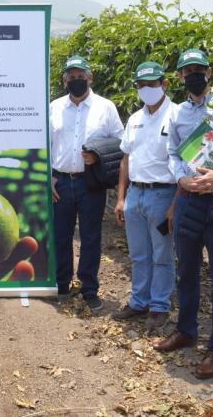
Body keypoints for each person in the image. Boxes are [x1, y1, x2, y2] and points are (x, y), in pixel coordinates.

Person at [153, 49, 213, 380]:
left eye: (199, 69)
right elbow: (174, 153)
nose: (193, 74)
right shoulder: (177, 114)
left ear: (210, 71)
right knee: (186, 271)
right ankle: (186, 330)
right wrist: (181, 178)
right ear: (180, 77)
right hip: (190, 202)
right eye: (187, 70)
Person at [50, 55, 124, 311]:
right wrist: (48, 176)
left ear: (90, 78)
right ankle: (61, 284)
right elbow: (45, 144)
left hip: (90, 181)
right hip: (60, 180)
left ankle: (89, 288)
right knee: (61, 235)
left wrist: (99, 155)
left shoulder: (106, 107)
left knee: (91, 237)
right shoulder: (55, 107)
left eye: (81, 77)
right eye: (71, 77)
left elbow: (121, 142)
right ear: (64, 80)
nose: (76, 80)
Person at [112, 62, 177, 330]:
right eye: (141, 85)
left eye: (152, 84)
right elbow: (125, 159)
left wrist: (176, 204)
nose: (147, 89)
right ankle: (139, 301)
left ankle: (160, 305)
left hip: (163, 194)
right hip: (136, 194)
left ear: (165, 84)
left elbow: (186, 162)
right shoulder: (135, 119)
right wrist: (121, 197)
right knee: (139, 254)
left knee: (162, 254)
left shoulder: (177, 116)